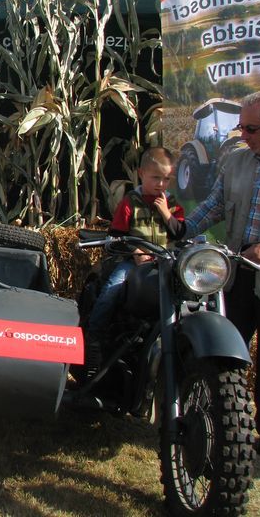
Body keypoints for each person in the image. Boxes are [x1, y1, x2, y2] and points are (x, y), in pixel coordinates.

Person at [184, 90, 260, 451]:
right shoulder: (236, 162)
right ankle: (211, 423)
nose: (242, 135)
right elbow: (214, 205)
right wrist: (180, 230)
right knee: (223, 351)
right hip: (238, 273)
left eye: (250, 129)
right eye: (241, 127)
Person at [85, 147, 185, 376]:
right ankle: (94, 336)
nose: (161, 184)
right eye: (155, 178)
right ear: (141, 173)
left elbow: (179, 232)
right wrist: (136, 251)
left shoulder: (172, 203)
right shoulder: (130, 202)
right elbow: (115, 236)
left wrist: (166, 213)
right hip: (133, 262)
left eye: (166, 179)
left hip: (165, 262)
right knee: (113, 287)